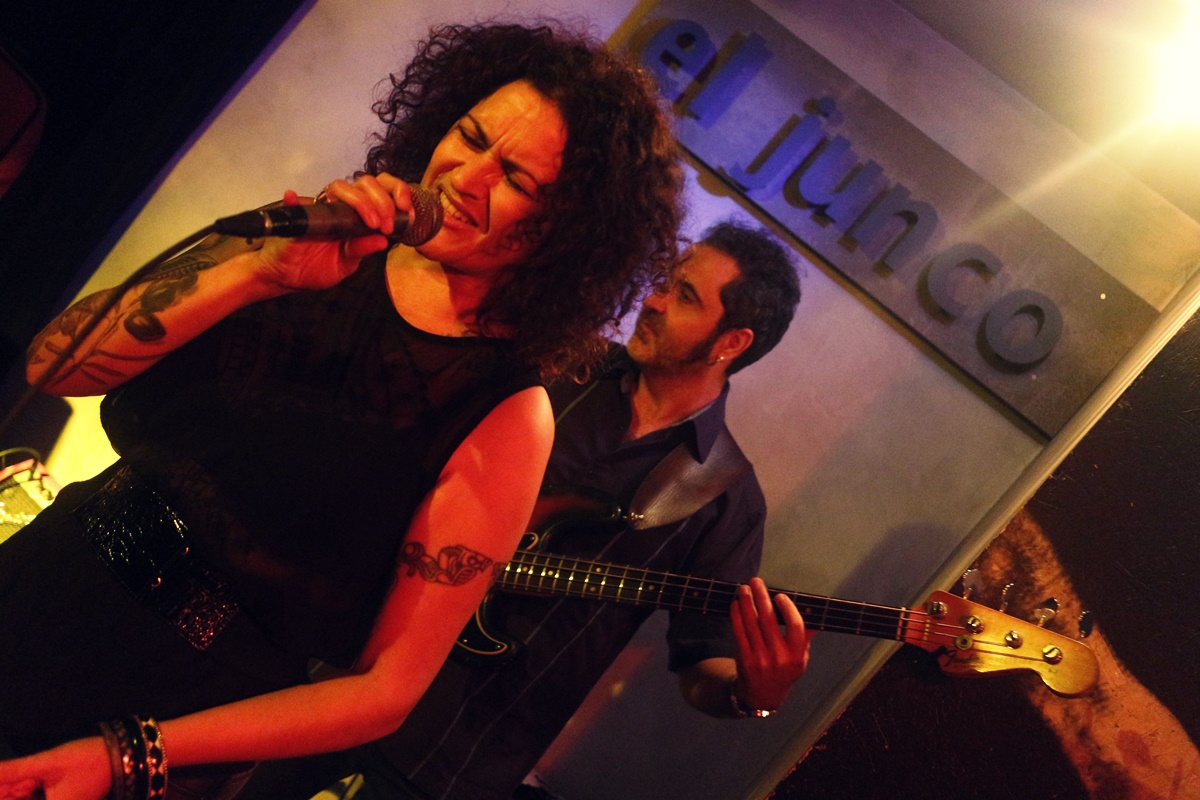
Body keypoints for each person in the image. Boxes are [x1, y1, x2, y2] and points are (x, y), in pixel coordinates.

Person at [0, 21, 682, 800]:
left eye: (517, 179)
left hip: (167, 712)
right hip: (40, 585)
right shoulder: (314, 246)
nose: (468, 177)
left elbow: (385, 689)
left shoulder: (507, 413)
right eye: (469, 137)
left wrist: (127, 755)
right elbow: (56, 363)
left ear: (570, 232)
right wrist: (259, 273)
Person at [239, 220, 810, 800]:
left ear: (731, 343)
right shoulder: (558, 360)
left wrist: (754, 695)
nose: (654, 301)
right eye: (664, 281)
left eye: (684, 295)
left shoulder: (726, 498)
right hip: (343, 672)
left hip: (460, 759)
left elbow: (702, 662)